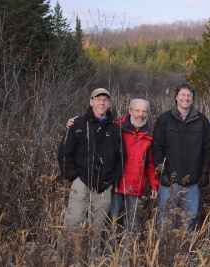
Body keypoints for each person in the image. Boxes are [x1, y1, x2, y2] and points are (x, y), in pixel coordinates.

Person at [65, 99, 159, 241]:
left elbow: (150, 163)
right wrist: (75, 122)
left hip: (135, 186)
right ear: (130, 111)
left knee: (131, 224)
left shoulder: (150, 135)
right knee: (109, 223)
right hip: (115, 184)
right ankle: (107, 254)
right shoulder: (116, 127)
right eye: (137, 111)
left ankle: (127, 254)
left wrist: (154, 184)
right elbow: (95, 123)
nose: (140, 114)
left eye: (144, 111)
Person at [58, 88, 125, 256]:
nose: (102, 103)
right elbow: (64, 152)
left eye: (105, 100)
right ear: (91, 102)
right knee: (73, 221)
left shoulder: (115, 128)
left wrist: (113, 180)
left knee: (98, 226)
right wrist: (73, 177)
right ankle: (69, 255)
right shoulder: (78, 124)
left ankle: (93, 257)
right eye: (98, 99)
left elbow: (122, 157)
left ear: (109, 103)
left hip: (104, 186)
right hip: (81, 181)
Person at [153, 82, 210, 231]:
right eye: (183, 95)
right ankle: (162, 250)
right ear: (176, 97)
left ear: (193, 99)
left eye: (189, 96)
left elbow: (208, 149)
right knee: (165, 218)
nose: (186, 98)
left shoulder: (202, 121)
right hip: (170, 183)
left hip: (193, 182)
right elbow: (157, 149)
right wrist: (162, 173)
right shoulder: (164, 120)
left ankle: (185, 250)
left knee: (189, 220)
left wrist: (205, 172)